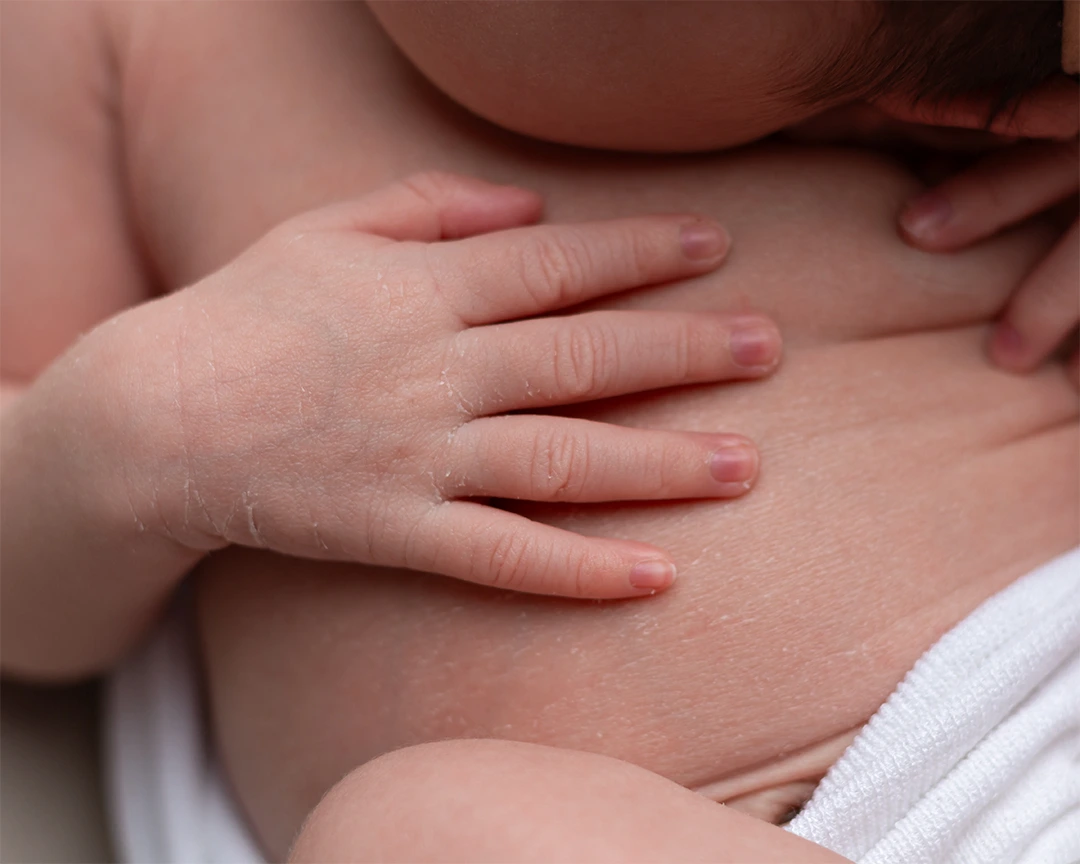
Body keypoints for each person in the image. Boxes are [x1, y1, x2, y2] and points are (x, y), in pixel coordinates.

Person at [1, 1, 1076, 861]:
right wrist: (144, 433)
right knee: (429, 832)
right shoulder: (114, 26)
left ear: (950, 101)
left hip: (1042, 711)